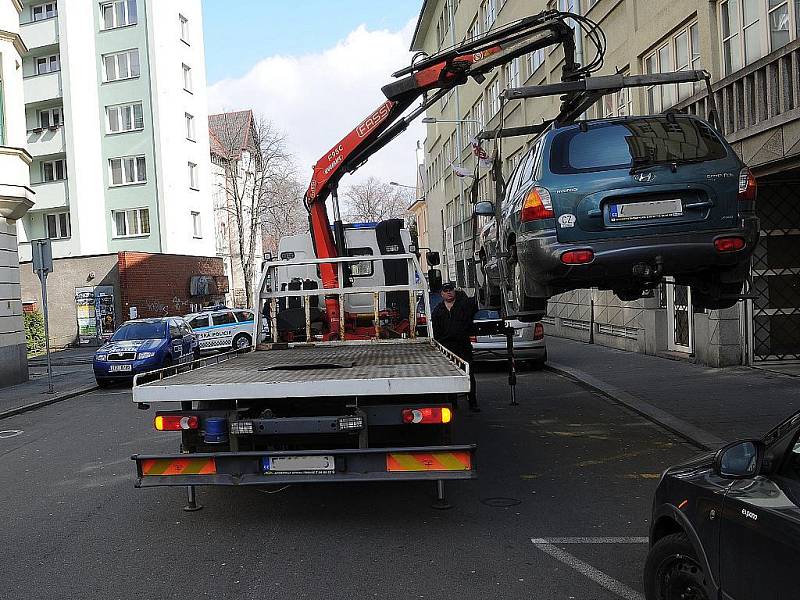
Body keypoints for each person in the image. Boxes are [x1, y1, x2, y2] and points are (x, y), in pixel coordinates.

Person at [431, 281, 480, 412]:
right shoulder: (438, 311)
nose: (449, 292)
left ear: (454, 291)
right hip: (447, 348)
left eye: (451, 289)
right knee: (451, 375)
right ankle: (453, 403)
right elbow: (435, 331)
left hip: (463, 345)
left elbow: (478, 301)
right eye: (446, 290)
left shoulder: (464, 305)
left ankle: (473, 402)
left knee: (469, 374)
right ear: (441, 293)